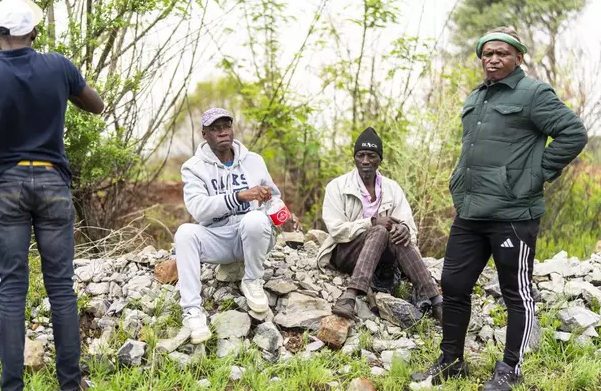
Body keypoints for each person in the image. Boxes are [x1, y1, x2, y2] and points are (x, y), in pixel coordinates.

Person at [411, 27, 588, 391]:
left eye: (502, 53)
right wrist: (458, 182)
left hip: (513, 213)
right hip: (470, 212)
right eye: (487, 53)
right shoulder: (476, 97)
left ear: (518, 58)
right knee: (454, 285)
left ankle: (510, 368)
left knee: (515, 292)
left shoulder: (533, 93)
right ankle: (451, 361)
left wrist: (535, 175)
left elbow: (573, 133)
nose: (493, 59)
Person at [0, 0, 104, 390]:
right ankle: (70, 385)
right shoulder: (58, 66)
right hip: (53, 185)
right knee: (60, 287)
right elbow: (96, 105)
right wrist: (66, 85)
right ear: (35, 33)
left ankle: (12, 387)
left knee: (12, 289)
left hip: (7, 186)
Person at [175, 108, 299, 344]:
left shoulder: (253, 161)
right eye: (215, 128)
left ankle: (252, 280)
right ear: (204, 134)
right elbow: (199, 209)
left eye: (226, 126)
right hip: (217, 238)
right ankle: (192, 312)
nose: (223, 132)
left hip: (252, 236)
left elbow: (272, 197)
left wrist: (285, 216)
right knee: (184, 233)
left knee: (254, 219)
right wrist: (239, 196)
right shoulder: (193, 167)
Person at [317, 127, 442, 321]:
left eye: (371, 156)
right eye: (361, 155)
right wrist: (372, 222)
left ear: (380, 159)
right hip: (346, 253)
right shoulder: (337, 186)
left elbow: (410, 228)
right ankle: (351, 295)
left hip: (382, 260)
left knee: (395, 233)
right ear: (355, 158)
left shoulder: (392, 188)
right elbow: (336, 230)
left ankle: (436, 301)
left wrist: (404, 230)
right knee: (380, 231)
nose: (365, 161)